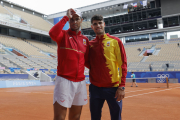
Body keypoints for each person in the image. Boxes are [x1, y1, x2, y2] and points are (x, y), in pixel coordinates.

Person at [49, 8, 89, 120]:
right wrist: (65, 17)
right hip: (64, 81)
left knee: (76, 117)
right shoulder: (62, 35)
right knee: (59, 117)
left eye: (77, 19)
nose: (74, 22)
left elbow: (87, 61)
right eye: (72, 20)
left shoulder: (85, 40)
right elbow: (52, 33)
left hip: (80, 82)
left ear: (81, 20)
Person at [88, 15, 127, 120]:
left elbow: (123, 64)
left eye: (100, 23)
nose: (98, 25)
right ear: (92, 27)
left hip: (113, 88)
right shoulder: (90, 44)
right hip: (95, 88)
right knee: (95, 118)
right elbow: (88, 63)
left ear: (104, 24)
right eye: (95, 24)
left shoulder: (116, 41)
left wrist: (121, 86)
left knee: (116, 117)